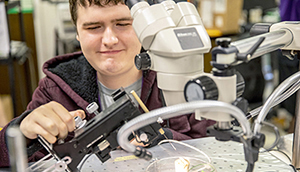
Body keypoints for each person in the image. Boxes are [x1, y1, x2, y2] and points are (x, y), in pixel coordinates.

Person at [0, 0, 215, 167]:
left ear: (144, 26)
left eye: (122, 24)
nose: (110, 39)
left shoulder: (183, 78)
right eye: (93, 27)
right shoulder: (54, 89)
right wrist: (22, 131)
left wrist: (163, 141)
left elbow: (219, 150)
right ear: (77, 32)